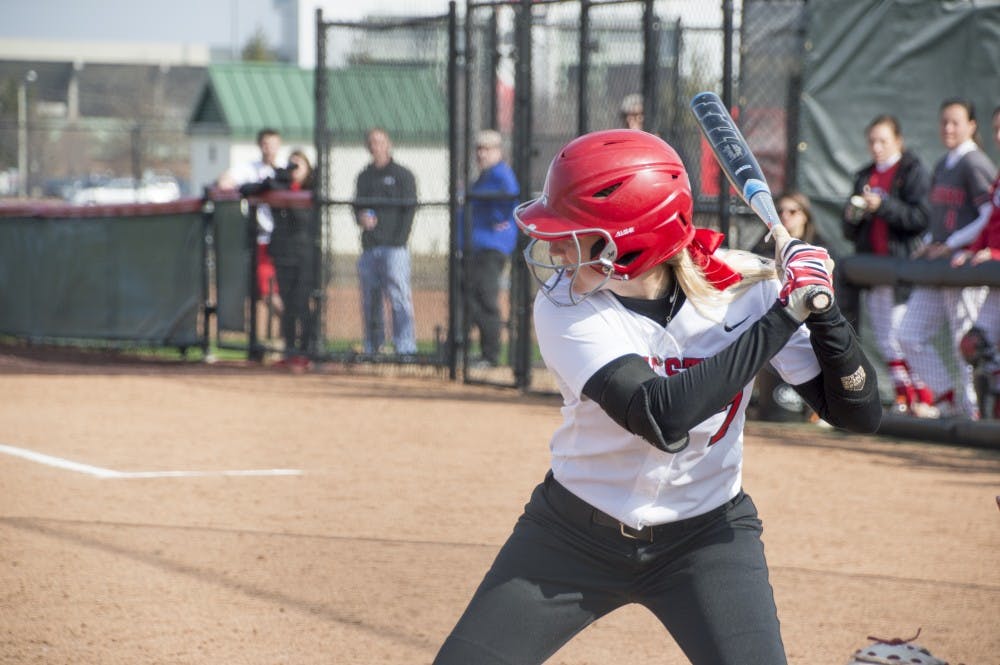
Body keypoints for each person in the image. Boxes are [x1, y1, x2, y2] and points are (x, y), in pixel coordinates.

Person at [433, 130, 881, 665]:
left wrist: (823, 308)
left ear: (635, 241)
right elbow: (660, 415)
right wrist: (784, 316)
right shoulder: (566, 306)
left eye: (575, 233)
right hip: (572, 535)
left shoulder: (746, 286)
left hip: (708, 539)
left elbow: (858, 412)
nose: (556, 248)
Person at [898, 99, 996, 418]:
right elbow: (941, 219)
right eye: (944, 122)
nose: (948, 128)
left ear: (971, 125)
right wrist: (929, 242)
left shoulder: (974, 163)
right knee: (909, 334)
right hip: (942, 264)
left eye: (955, 122)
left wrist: (953, 244)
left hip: (966, 266)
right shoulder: (944, 163)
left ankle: (973, 414)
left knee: (966, 345)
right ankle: (949, 402)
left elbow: (985, 215)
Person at [842, 114, 933, 416]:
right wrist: (856, 213)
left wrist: (884, 206)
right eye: (872, 141)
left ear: (898, 141)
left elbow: (919, 218)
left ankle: (926, 399)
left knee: (903, 334)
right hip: (874, 267)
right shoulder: (864, 175)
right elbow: (849, 230)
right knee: (885, 338)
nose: (877, 147)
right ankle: (904, 398)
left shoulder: (911, 170)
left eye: (883, 140)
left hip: (903, 268)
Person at [241, 149, 317, 368]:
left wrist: (289, 189)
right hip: (283, 253)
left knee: (301, 304)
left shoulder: (310, 191)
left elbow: (302, 219)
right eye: (290, 166)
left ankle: (306, 352)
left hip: (305, 255)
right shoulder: (280, 187)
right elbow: (245, 190)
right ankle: (290, 350)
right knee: (287, 306)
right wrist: (272, 182)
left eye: (298, 166)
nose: (293, 171)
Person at [748, 191, 818, 423]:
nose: (785, 216)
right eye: (780, 212)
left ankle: (817, 409)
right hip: (769, 321)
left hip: (806, 323)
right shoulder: (762, 248)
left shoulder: (817, 250)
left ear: (805, 216)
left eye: (792, 211)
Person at [952, 105, 1000, 419]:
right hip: (996, 279)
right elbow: (991, 222)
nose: (999, 136)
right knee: (975, 345)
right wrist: (974, 249)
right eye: (996, 129)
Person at [353, 128, 418, 356]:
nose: (375, 146)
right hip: (370, 247)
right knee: (371, 300)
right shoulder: (364, 176)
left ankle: (405, 348)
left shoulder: (402, 174)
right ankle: (373, 347)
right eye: (371, 142)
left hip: (395, 248)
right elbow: (356, 207)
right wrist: (360, 217)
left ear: (388, 144)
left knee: (399, 298)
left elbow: (410, 211)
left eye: (379, 142)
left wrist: (399, 239)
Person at [463, 129, 519, 368]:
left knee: (487, 298)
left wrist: (499, 218)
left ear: (498, 151)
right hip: (477, 246)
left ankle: (492, 355)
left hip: (493, 247)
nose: (481, 153)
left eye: (487, 149)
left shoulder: (501, 175)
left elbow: (509, 202)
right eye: (478, 148)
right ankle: (482, 353)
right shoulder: (483, 177)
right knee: (473, 298)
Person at [217, 128, 284, 311]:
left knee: (285, 290)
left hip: (284, 239)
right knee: (266, 291)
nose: (269, 149)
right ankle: (292, 329)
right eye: (265, 144)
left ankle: (291, 333)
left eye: (273, 145)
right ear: (259, 146)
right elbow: (224, 182)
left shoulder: (283, 170)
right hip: (262, 238)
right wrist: (248, 189)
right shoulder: (250, 169)